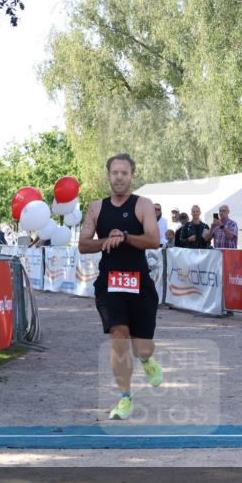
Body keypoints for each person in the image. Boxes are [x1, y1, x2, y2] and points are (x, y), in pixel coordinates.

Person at [79, 153, 163, 420]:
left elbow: (153, 240)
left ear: (131, 176)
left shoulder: (143, 205)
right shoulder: (96, 208)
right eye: (114, 173)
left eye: (124, 173)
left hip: (139, 282)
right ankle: (125, 397)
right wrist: (107, 240)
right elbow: (83, 245)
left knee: (142, 347)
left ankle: (146, 360)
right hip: (109, 283)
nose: (119, 178)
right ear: (108, 175)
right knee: (119, 336)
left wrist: (125, 237)